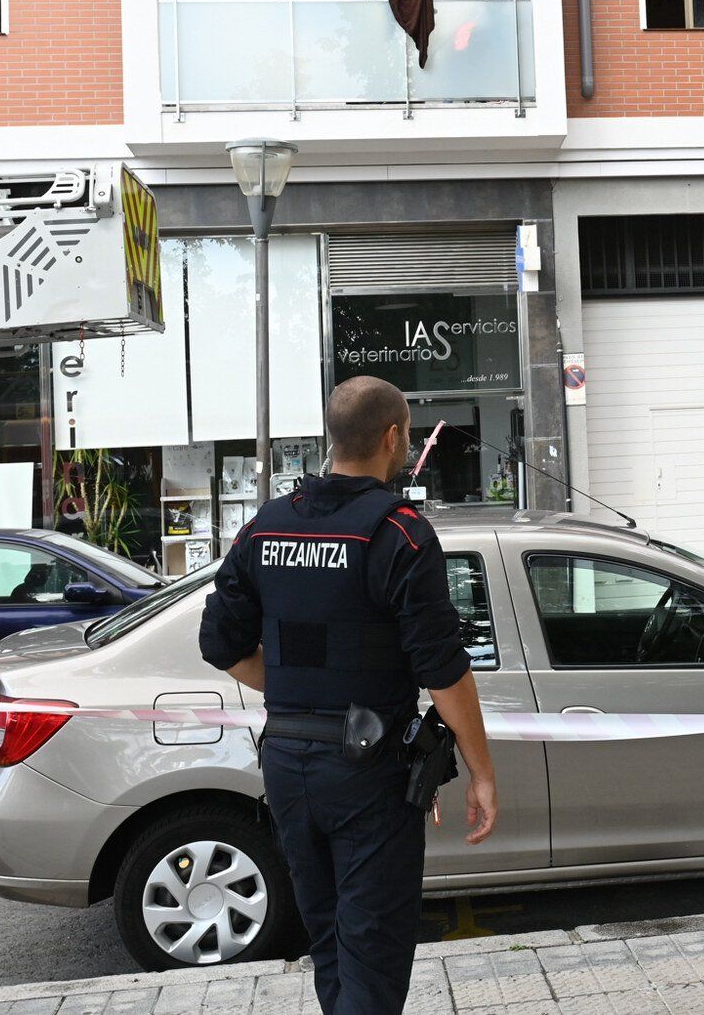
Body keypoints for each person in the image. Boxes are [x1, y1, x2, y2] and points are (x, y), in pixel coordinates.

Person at [199, 376, 499, 1013]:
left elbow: (220, 644)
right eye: (408, 437)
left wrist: (304, 691)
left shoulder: (267, 528)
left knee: (332, 943)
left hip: (285, 762)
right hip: (367, 774)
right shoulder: (401, 535)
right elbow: (443, 671)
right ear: (392, 438)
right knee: (374, 952)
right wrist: (481, 771)